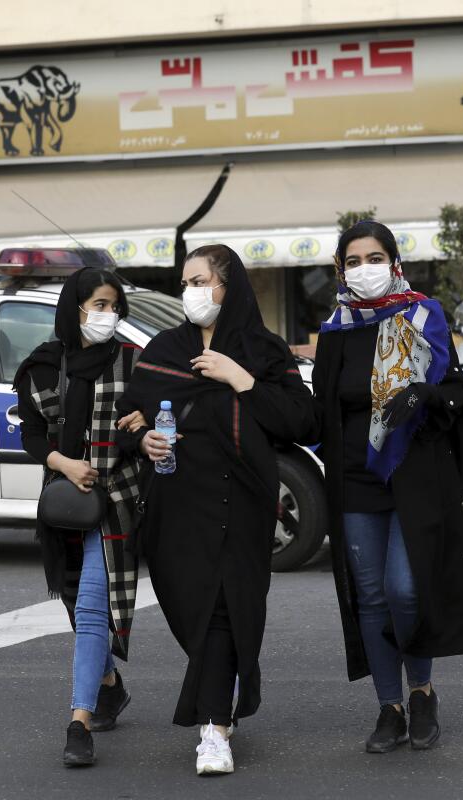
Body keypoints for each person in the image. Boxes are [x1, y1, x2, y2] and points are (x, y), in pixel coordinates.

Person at [117, 244, 314, 776]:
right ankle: (218, 699)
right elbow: (128, 415)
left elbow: (298, 421)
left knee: (227, 611)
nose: (190, 293)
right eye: (184, 283)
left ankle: (214, 730)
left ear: (228, 286)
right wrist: (144, 443)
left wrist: (238, 377)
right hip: (176, 506)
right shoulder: (164, 348)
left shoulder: (263, 350)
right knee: (191, 611)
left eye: (200, 281)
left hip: (241, 504)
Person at [310, 220, 463, 754]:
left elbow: (457, 392)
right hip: (353, 481)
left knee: (404, 588)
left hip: (416, 478)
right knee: (371, 597)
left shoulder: (423, 315)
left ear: (394, 262)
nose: (364, 269)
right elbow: (318, 410)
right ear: (340, 270)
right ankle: (390, 708)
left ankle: (423, 692)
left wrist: (425, 394)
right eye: (353, 261)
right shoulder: (336, 329)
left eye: (374, 258)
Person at [13, 267, 144, 768]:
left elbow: (153, 420)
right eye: (97, 305)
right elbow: (30, 435)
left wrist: (144, 424)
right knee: (75, 602)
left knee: (92, 606)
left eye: (113, 305)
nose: (107, 315)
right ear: (74, 309)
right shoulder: (43, 368)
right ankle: (109, 684)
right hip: (65, 503)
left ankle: (79, 721)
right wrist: (64, 463)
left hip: (117, 502)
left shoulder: (135, 363)